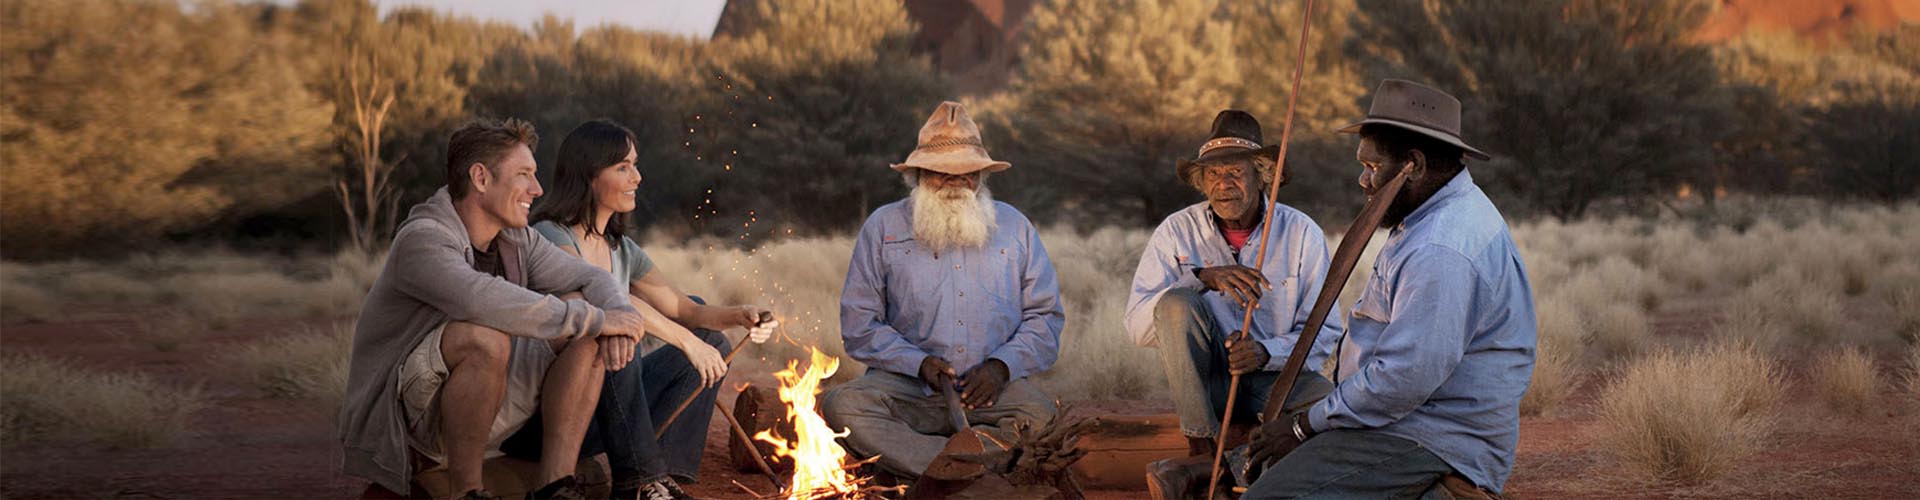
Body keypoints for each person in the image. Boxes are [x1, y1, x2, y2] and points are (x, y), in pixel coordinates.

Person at [1240, 79, 1536, 499]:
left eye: (1373, 167)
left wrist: (1305, 427)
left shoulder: (1442, 247)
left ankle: (1448, 488)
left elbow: (1403, 380)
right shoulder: (1431, 213)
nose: (1364, 180)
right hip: (1405, 420)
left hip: (1433, 435)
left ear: (1413, 164)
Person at [338, 118, 649, 500]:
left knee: (584, 330)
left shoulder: (518, 239)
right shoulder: (423, 240)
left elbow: (590, 278)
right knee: (485, 337)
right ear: (481, 178)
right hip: (406, 423)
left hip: (487, 403)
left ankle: (555, 485)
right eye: (523, 175)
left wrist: (617, 318)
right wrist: (600, 319)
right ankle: (467, 492)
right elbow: (481, 299)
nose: (537, 189)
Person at [522, 119, 775, 500]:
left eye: (635, 165)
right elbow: (601, 307)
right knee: (614, 331)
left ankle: (664, 480)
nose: (637, 177)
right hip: (547, 418)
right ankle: (638, 481)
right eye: (622, 167)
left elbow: (684, 308)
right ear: (589, 175)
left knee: (709, 335)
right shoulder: (548, 235)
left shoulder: (622, 249)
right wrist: (687, 343)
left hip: (606, 412)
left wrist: (741, 314)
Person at [820, 101, 1066, 479]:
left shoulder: (1015, 228)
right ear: (917, 174)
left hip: (992, 394)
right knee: (843, 405)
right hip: (906, 390)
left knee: (1044, 416)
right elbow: (859, 324)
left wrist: (1001, 367)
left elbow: (1045, 318)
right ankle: (963, 467)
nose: (956, 182)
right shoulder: (883, 226)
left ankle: (936, 466)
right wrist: (917, 364)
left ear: (981, 177)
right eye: (941, 173)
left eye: (967, 172)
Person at [1127, 110, 1344, 498]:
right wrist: (1199, 279)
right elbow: (1139, 326)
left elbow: (1324, 332)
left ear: (1261, 175)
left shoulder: (1301, 233)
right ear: (1200, 180)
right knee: (1176, 303)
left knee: (1330, 405)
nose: (1222, 185)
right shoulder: (1177, 232)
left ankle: (1209, 471)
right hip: (1204, 384)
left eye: (1234, 172)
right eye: (1212, 174)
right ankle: (1201, 447)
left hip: (1272, 381)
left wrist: (1264, 353)